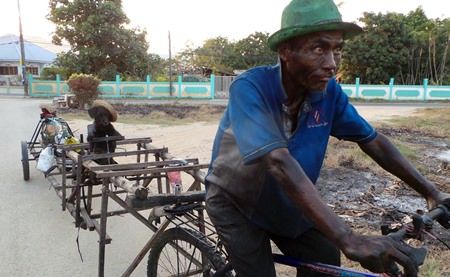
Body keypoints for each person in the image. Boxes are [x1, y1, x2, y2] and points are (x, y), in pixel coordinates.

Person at [204, 0, 450, 276]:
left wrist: (431, 191)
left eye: (337, 50)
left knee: (325, 261)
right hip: (237, 204)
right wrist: (349, 238)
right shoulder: (250, 88)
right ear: (286, 50)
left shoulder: (328, 93)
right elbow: (277, 162)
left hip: (286, 201)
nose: (332, 64)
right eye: (319, 49)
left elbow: (372, 140)